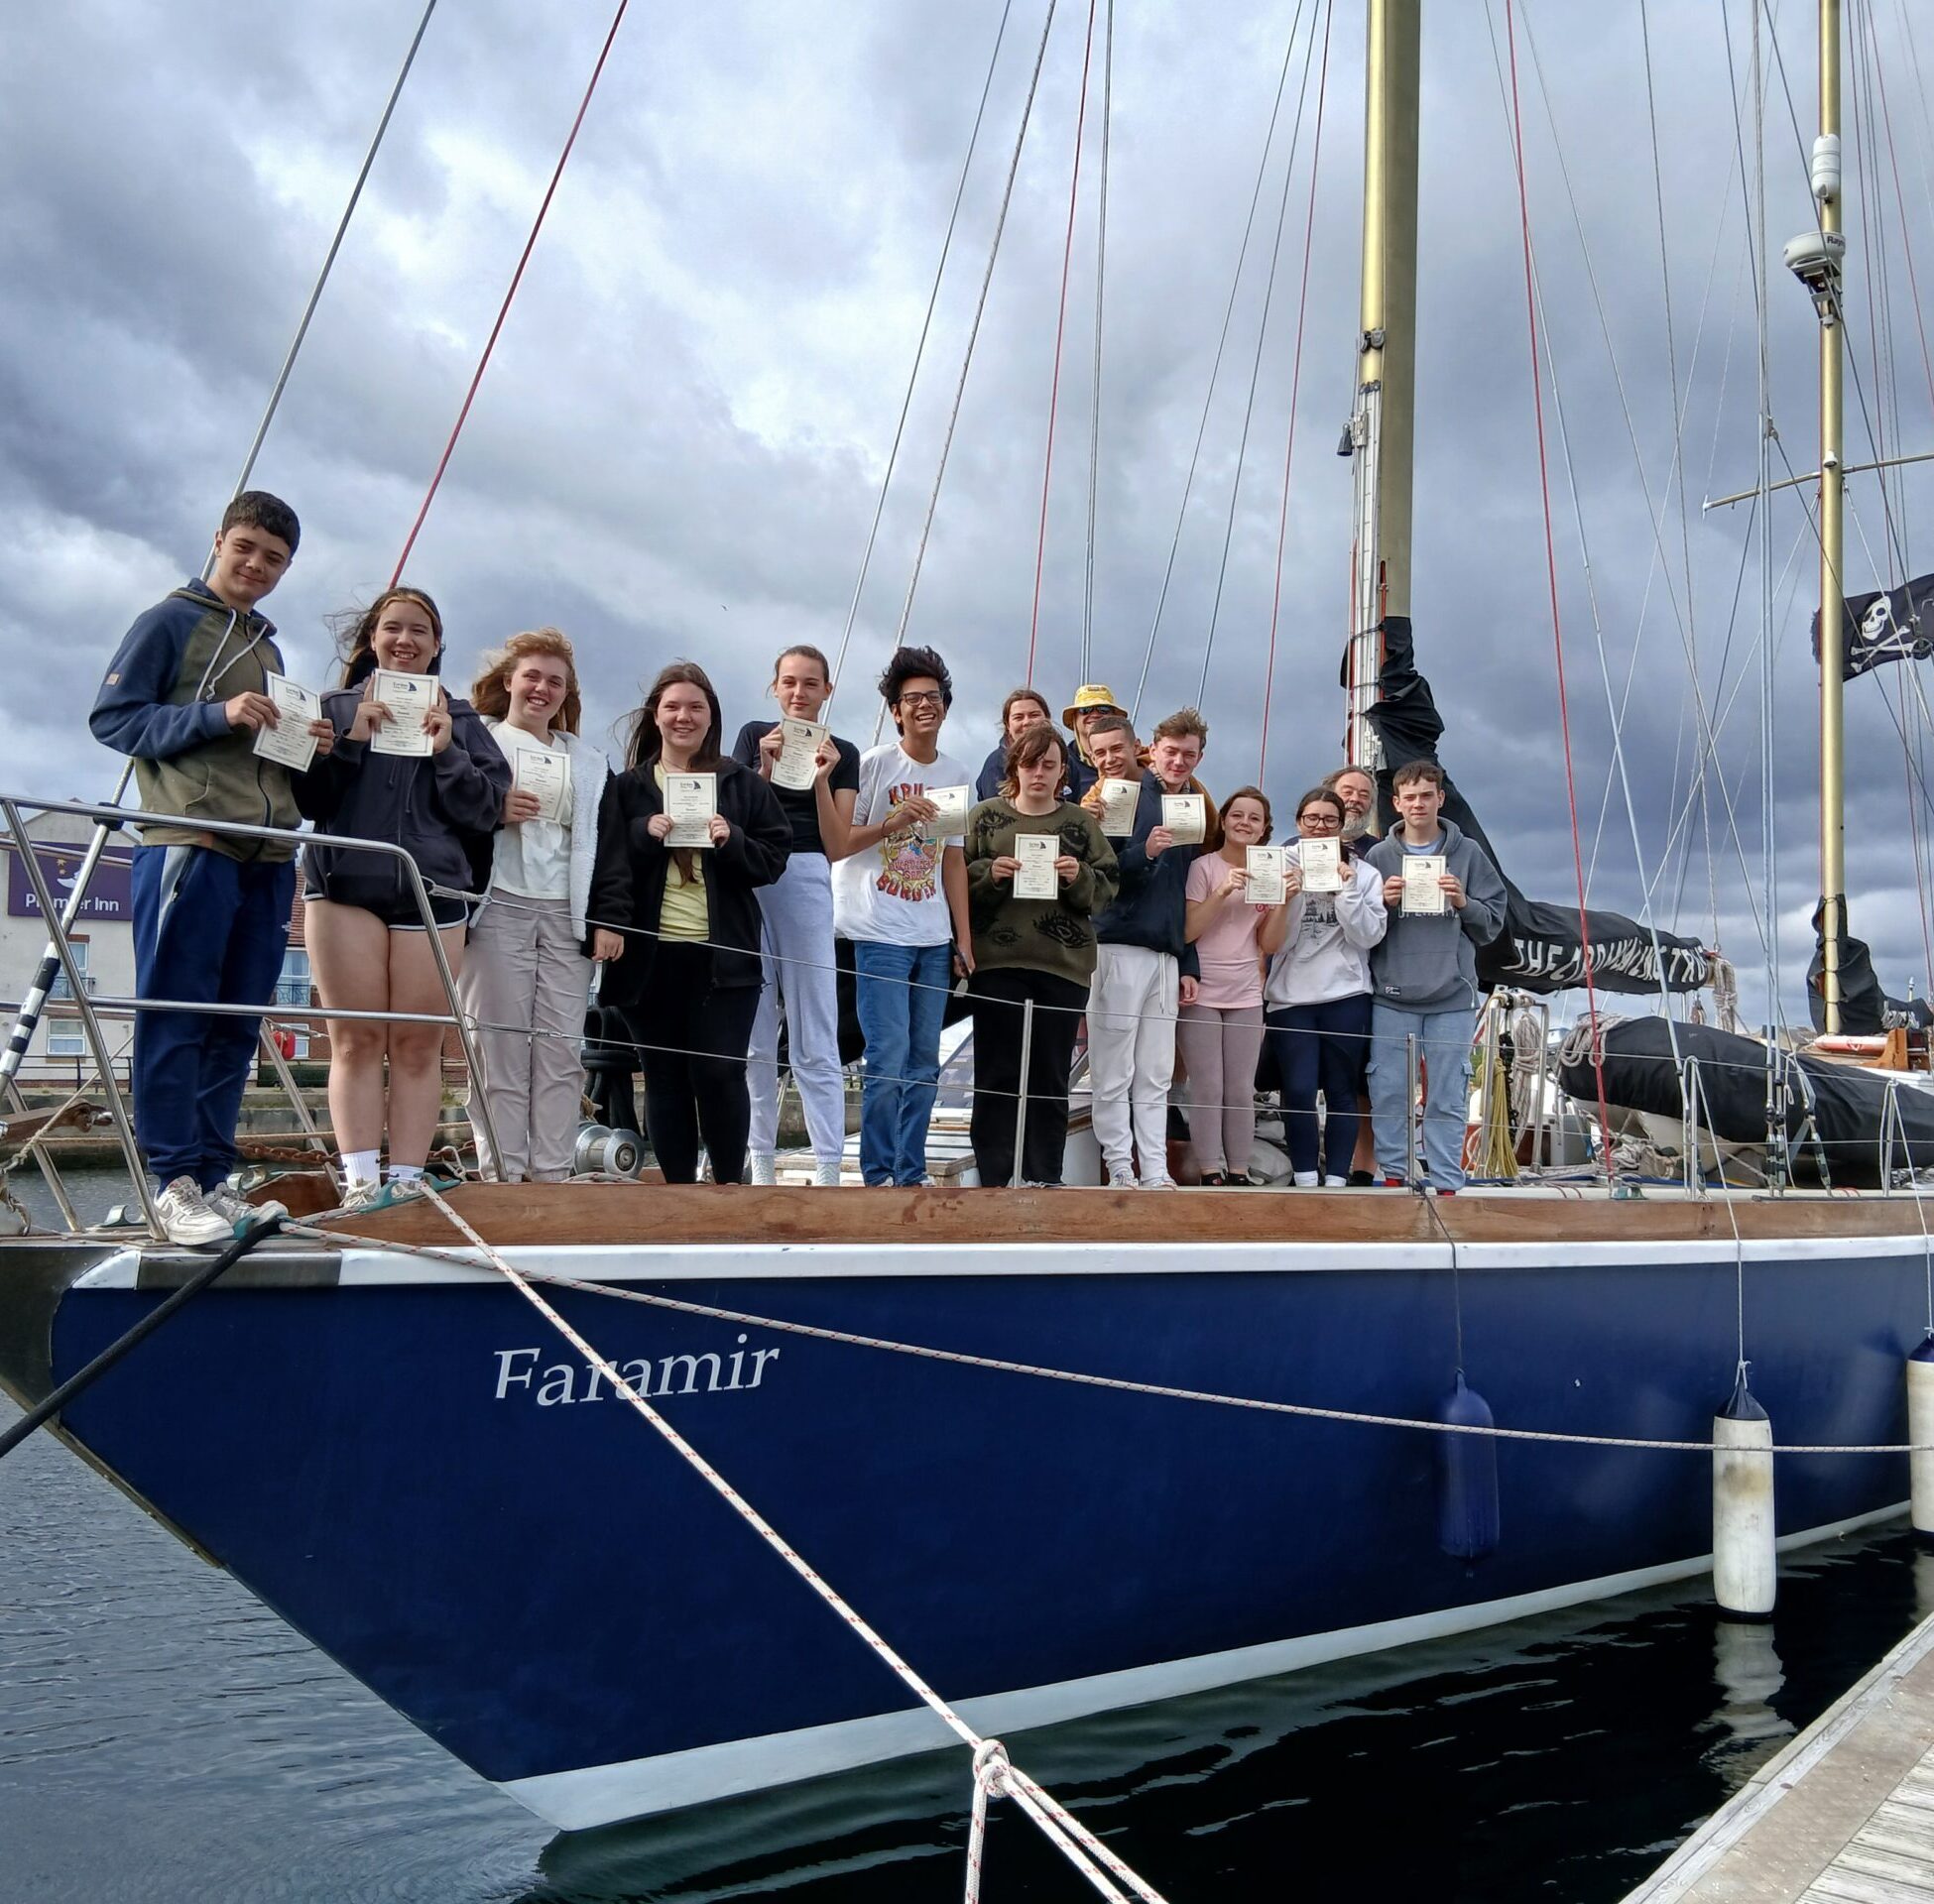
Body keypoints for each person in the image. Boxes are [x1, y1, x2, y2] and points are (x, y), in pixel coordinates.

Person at [88, 491, 333, 1245]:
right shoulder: (167, 622)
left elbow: (266, 758)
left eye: (275, 560)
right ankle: (172, 1183)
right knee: (178, 1017)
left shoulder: (270, 648)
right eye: (247, 549)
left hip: (268, 855)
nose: (257, 566)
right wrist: (217, 715)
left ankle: (214, 1177)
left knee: (235, 1026)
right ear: (219, 541)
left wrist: (310, 744)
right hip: (190, 844)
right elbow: (114, 719)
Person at [296, 587, 510, 1208]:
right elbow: (308, 801)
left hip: (431, 893)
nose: (405, 641)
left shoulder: (464, 720)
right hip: (344, 890)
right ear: (372, 638)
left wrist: (446, 751)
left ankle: (408, 1181)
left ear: (438, 645)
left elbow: (486, 810)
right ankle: (362, 1183)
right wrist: (352, 740)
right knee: (356, 1039)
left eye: (420, 631)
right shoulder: (333, 708)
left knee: (418, 1044)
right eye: (393, 628)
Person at [591, 661, 790, 1184]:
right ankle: (678, 1191)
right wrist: (640, 832)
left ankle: (728, 1184)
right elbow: (606, 861)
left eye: (695, 707)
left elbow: (774, 857)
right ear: (655, 715)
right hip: (651, 957)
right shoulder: (628, 787)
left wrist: (734, 839)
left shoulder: (741, 784)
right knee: (664, 1077)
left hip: (724, 958)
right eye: (673, 706)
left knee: (721, 1072)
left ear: (711, 716)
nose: (684, 717)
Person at [460, 629, 621, 1183]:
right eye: (532, 675)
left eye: (556, 681)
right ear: (508, 680)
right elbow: (449, 807)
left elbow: (607, 845)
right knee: (498, 1048)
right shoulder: (476, 741)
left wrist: (606, 919)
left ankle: (552, 1177)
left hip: (565, 914)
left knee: (560, 1053)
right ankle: (503, 1175)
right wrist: (493, 807)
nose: (542, 688)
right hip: (497, 905)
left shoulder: (589, 762)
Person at [834, 645, 974, 1187]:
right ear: (895, 709)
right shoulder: (873, 765)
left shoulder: (958, 771)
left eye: (933, 697)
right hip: (879, 930)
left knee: (924, 1061)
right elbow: (841, 842)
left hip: (933, 934)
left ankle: (909, 1173)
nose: (924, 706)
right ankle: (877, 1175)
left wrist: (964, 938)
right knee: (886, 1055)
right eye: (912, 699)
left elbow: (954, 860)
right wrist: (893, 823)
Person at [963, 725, 1118, 1186]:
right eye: (1030, 763)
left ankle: (1045, 1177)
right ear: (1014, 767)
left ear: (1062, 771)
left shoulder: (1081, 824)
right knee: (996, 1073)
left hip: (1062, 966)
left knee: (1050, 1077)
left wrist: (1078, 876)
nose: (1038, 773)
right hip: (997, 964)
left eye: (1049, 764)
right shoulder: (985, 816)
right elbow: (957, 879)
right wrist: (990, 873)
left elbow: (1109, 887)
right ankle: (994, 1179)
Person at [730, 644, 859, 1186]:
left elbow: (838, 844)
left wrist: (823, 779)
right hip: (752, 874)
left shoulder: (844, 750)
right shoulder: (753, 735)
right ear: (774, 687)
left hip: (806, 870)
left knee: (816, 1025)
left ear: (827, 690)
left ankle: (828, 1165)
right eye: (789, 682)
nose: (799, 693)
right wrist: (762, 767)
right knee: (754, 1031)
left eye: (810, 683)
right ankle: (760, 1160)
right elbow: (734, 813)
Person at [1363, 761, 1508, 1192]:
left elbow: (1493, 923)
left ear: (1440, 799)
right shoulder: (1379, 857)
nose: (1418, 804)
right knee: (1389, 1090)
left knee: (1448, 1092)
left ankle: (1447, 1181)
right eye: (1410, 797)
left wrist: (1464, 902)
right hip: (1391, 994)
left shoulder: (1469, 854)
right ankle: (1395, 1175)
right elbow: (1361, 932)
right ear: (1396, 804)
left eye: (1427, 795)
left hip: (1451, 995)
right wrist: (1382, 904)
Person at [1085, 707, 1213, 1188]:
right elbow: (1103, 871)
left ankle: (1155, 1170)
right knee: (1113, 1068)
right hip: (1116, 945)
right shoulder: (1119, 794)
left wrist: (1188, 958)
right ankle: (1121, 1167)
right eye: (1172, 752)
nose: (1180, 762)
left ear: (1200, 757)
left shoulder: (1194, 806)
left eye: (1189, 754)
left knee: (1157, 1073)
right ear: (1153, 749)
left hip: (1164, 953)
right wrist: (1146, 852)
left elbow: (1184, 891)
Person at [1264, 785, 1388, 1186]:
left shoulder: (1364, 873)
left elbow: (1369, 937)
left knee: (1341, 1090)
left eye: (1329, 820)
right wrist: (1290, 896)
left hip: (1346, 994)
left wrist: (1344, 892)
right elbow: (1273, 942)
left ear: (1341, 827)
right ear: (1298, 822)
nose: (1320, 827)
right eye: (1311, 819)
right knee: (1297, 1090)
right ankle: (1304, 1177)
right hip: (1290, 995)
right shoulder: (1280, 863)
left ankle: (1336, 1180)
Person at [1180, 786, 1287, 1184]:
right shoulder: (1204, 868)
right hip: (1202, 989)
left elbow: (1269, 943)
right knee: (1207, 1086)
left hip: (1245, 991)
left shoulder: (1268, 870)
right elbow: (1190, 930)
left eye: (1254, 818)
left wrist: (1285, 902)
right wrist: (1223, 890)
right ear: (1224, 821)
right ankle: (1211, 1169)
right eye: (1238, 815)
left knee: (1241, 1090)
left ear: (1264, 829)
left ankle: (1240, 1170)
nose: (1245, 823)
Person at [974, 686, 1056, 801]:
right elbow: (995, 814)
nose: (1027, 722)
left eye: (1034, 715)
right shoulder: (995, 765)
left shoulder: (1065, 760)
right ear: (1007, 725)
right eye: (1018, 717)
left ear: (1047, 719)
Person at [1059, 683, 1123, 797]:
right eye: (1085, 710)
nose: (1095, 714)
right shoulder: (1060, 761)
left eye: (1103, 709)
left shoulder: (1134, 758)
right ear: (1074, 719)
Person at [1325, 766, 1379, 855]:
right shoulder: (1298, 850)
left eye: (1364, 795)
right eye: (1347, 792)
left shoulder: (1381, 854)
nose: (1355, 799)